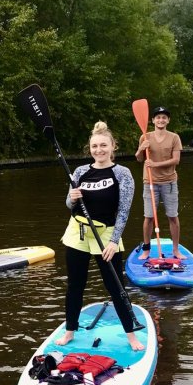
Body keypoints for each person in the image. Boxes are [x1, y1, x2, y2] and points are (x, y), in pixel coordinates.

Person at [58, 121, 144, 351]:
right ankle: (69, 331)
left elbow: (124, 211)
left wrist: (115, 241)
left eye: (103, 145)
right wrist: (73, 197)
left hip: (106, 234)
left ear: (112, 146)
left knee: (116, 287)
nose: (99, 150)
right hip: (77, 232)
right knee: (75, 285)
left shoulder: (122, 174)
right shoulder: (80, 172)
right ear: (90, 148)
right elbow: (69, 204)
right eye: (95, 146)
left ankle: (131, 335)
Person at [135, 105, 184, 260]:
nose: (161, 120)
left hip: (169, 182)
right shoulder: (145, 137)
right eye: (158, 117)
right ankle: (147, 250)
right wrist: (141, 149)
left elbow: (176, 160)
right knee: (148, 217)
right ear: (153, 120)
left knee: (172, 216)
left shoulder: (174, 137)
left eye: (164, 117)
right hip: (149, 182)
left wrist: (155, 165)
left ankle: (176, 250)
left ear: (168, 120)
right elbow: (139, 159)